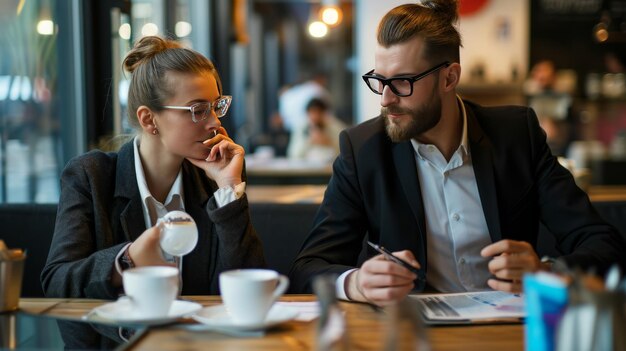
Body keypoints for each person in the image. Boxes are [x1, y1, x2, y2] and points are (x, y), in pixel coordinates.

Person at [289, 1, 626, 306]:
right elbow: (309, 267)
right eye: (380, 80)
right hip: (413, 336)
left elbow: (604, 244)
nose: (385, 99)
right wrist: (357, 283)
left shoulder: (516, 136)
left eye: (403, 82)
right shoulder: (362, 150)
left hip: (511, 332)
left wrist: (545, 271)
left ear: (449, 78)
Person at [41, 36, 265, 298]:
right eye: (198, 109)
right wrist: (126, 261)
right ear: (149, 119)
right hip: (121, 339)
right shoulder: (91, 176)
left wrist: (228, 190)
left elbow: (248, 290)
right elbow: (56, 282)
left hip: (196, 338)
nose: (215, 122)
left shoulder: (213, 181)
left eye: (216, 106)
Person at [287, 98, 347, 162]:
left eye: (319, 112)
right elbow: (293, 154)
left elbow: (345, 153)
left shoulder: (335, 127)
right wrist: (309, 141)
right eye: (312, 112)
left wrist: (328, 142)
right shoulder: (301, 128)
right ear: (307, 113)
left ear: (324, 113)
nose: (315, 116)